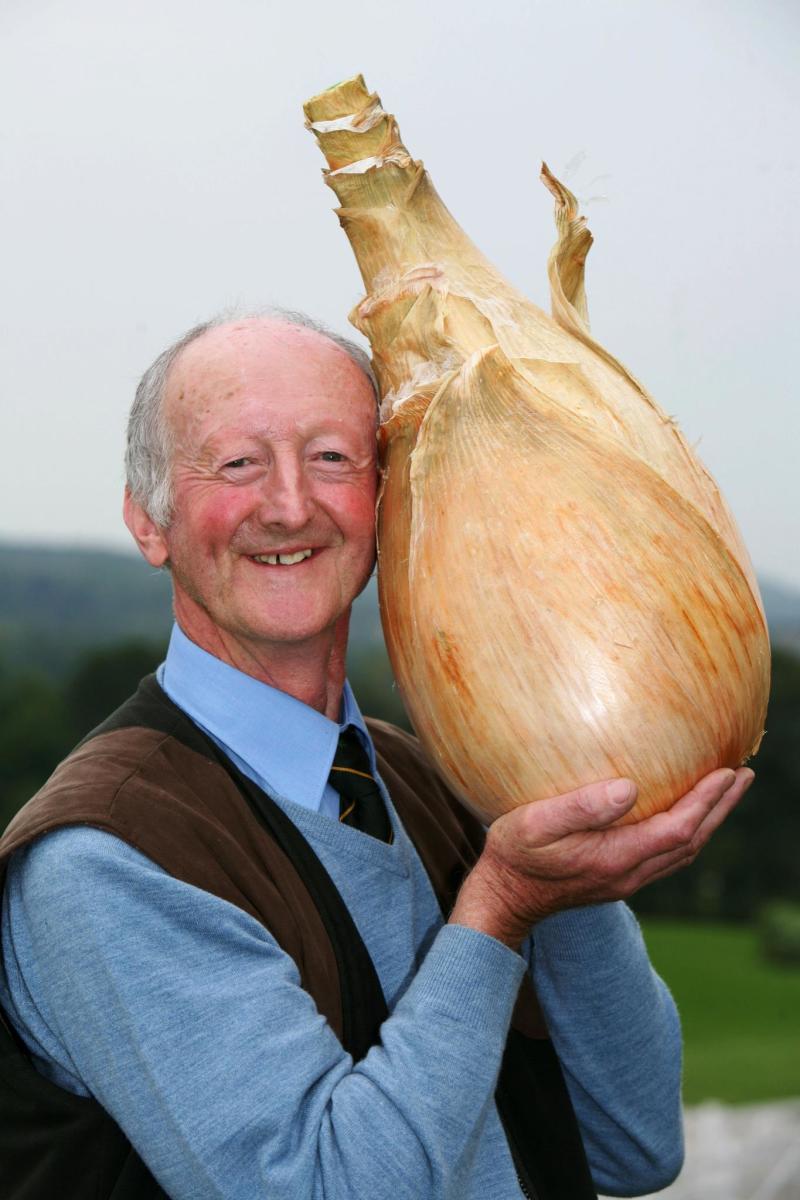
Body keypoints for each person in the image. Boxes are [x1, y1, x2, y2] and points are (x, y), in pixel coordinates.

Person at [0, 312, 753, 1200]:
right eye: (238, 462)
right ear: (148, 519)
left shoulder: (450, 780)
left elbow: (634, 1143)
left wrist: (572, 869)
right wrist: (502, 908)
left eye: (332, 457)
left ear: (390, 500)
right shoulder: (107, 859)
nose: (289, 504)